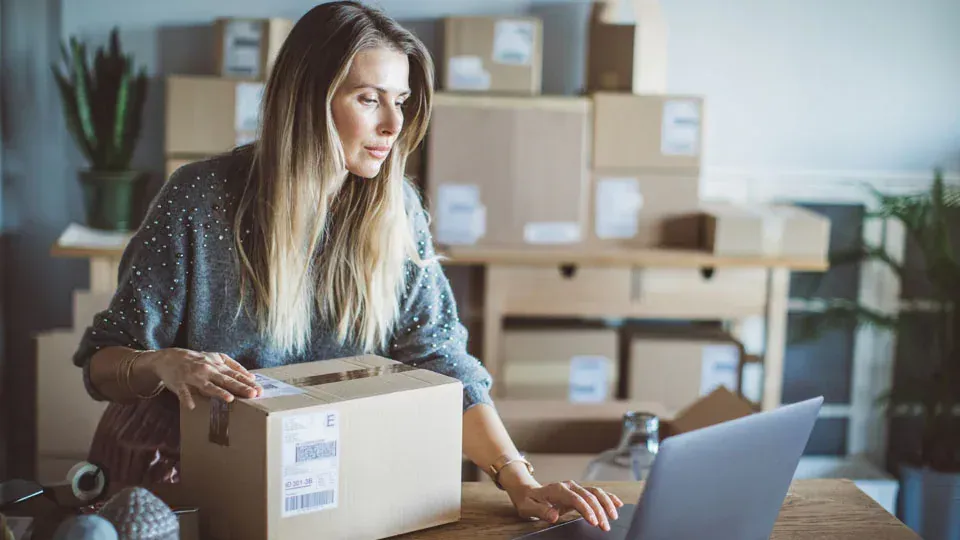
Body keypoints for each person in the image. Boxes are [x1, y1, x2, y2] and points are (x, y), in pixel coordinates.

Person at [73, 1, 622, 531]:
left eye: (401, 100)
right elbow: (102, 362)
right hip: (167, 482)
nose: (393, 124)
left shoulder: (397, 211)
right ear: (307, 100)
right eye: (368, 99)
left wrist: (519, 480)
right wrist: (166, 363)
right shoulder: (198, 199)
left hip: (308, 483)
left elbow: (443, 363)